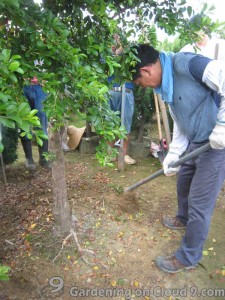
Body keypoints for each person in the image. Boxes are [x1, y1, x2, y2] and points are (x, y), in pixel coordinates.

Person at [130, 44, 225, 273]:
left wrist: (222, 126)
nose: (142, 87)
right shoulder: (167, 87)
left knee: (200, 205)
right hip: (195, 141)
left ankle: (188, 257)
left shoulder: (186, 64)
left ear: (145, 71)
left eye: (139, 83)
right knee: (183, 185)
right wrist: (173, 154)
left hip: (216, 146)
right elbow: (181, 123)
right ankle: (182, 219)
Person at [108, 34, 136, 165]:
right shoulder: (105, 53)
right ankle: (110, 153)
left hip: (127, 91)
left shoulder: (129, 53)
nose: (115, 41)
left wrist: (123, 50)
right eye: (113, 38)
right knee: (108, 123)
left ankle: (124, 154)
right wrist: (113, 54)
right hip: (109, 91)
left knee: (126, 124)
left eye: (118, 38)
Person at [21, 75, 49, 170]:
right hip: (22, 88)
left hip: (40, 88)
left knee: (41, 123)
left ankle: (44, 158)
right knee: (24, 121)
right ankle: (29, 159)